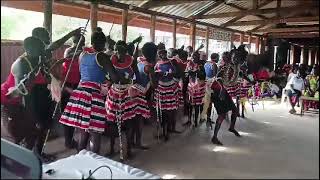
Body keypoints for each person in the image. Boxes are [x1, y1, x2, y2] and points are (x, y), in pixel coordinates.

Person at [59, 27, 121, 154]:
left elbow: (83, 73)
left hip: (80, 93)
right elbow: (114, 77)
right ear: (104, 44)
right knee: (95, 133)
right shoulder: (102, 56)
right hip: (93, 95)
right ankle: (94, 162)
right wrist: (110, 79)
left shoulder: (82, 55)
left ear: (91, 42)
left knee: (83, 132)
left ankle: (81, 158)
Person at [1, 37, 46, 151]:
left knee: (32, 132)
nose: (42, 50)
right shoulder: (21, 63)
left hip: (21, 100)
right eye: (40, 48)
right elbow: (16, 94)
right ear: (29, 49)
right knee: (17, 135)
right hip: (8, 99)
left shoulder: (37, 59)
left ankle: (30, 158)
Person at [105, 40, 141, 159]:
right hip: (114, 94)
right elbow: (107, 76)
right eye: (116, 51)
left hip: (127, 94)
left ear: (126, 53)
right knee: (112, 122)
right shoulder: (111, 61)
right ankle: (112, 148)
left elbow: (137, 77)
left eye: (121, 52)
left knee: (129, 122)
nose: (118, 54)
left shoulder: (132, 62)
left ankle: (129, 149)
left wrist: (130, 84)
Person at [54, 34, 85, 149]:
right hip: (66, 86)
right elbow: (69, 57)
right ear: (74, 42)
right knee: (67, 115)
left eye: (83, 42)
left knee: (78, 114)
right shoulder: (69, 51)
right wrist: (80, 51)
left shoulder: (84, 53)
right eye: (79, 42)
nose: (81, 44)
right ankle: (68, 140)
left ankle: (79, 140)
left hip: (79, 86)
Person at [131, 42, 158, 150]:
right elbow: (154, 85)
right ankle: (138, 142)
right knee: (139, 120)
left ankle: (132, 141)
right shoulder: (149, 67)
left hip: (133, 91)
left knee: (133, 119)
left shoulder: (139, 61)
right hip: (141, 94)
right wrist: (156, 76)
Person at [154, 49, 181, 141]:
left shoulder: (172, 62)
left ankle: (169, 130)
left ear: (166, 53)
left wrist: (167, 74)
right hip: (161, 88)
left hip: (171, 87)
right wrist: (158, 74)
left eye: (164, 53)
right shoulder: (157, 64)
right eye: (160, 54)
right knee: (162, 111)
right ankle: (165, 131)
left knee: (170, 111)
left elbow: (177, 73)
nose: (162, 55)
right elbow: (154, 75)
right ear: (158, 55)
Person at [200, 53, 219, 127]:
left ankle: (204, 117)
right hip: (211, 84)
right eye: (218, 57)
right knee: (210, 102)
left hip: (205, 83)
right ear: (216, 58)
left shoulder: (206, 63)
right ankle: (208, 118)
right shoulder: (214, 65)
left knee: (206, 101)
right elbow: (216, 76)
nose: (218, 59)